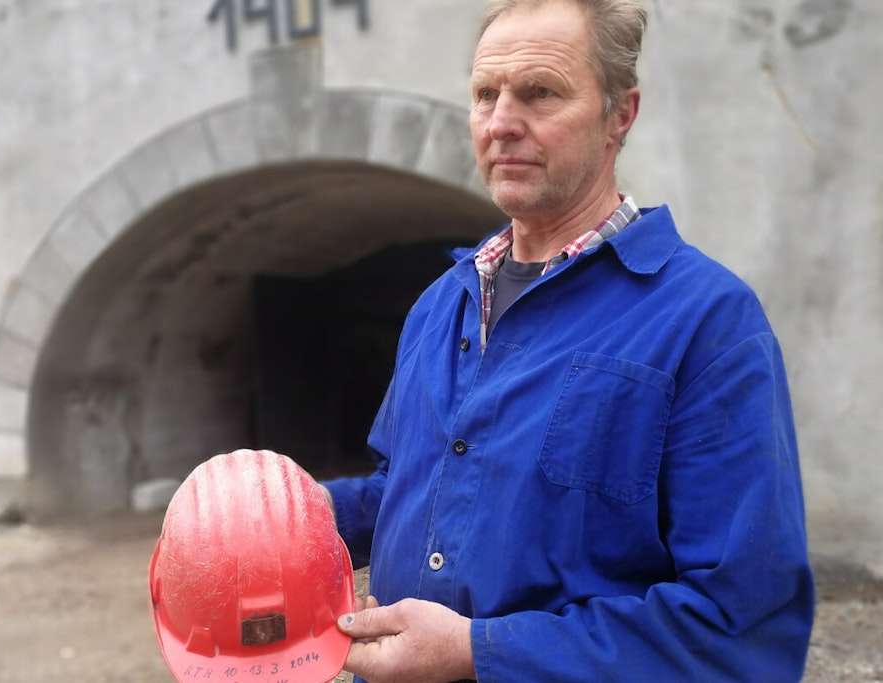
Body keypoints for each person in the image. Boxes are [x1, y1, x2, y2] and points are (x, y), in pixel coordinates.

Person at [321, 0, 815, 680]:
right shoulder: (442, 304)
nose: (501, 123)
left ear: (621, 114)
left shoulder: (707, 321)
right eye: (484, 94)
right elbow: (413, 490)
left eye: (540, 93)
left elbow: (740, 624)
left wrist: (476, 651)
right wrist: (286, 514)